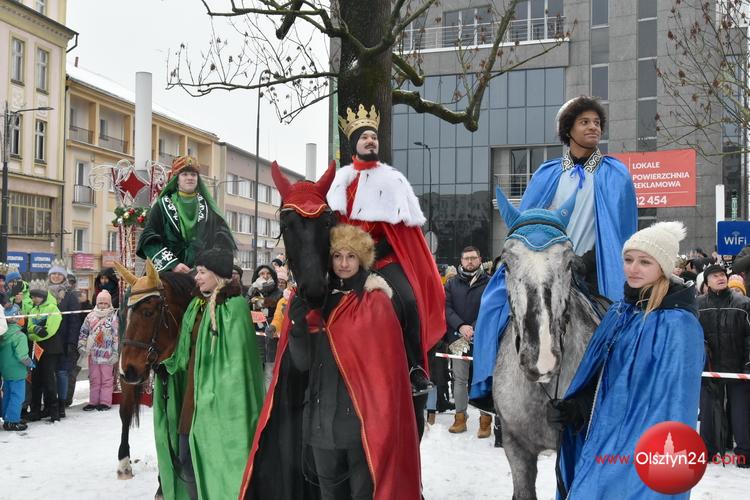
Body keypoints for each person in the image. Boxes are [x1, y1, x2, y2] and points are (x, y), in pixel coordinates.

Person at [471, 95, 638, 402]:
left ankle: (620, 394)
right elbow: (524, 223)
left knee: (625, 324)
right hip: (543, 263)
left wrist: (590, 260)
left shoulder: (616, 174)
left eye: (597, 122)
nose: (593, 127)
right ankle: (490, 384)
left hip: (595, 268)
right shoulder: (547, 173)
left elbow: (624, 232)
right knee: (491, 305)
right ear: (568, 130)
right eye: (585, 122)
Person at [239, 224, 421, 499]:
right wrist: (298, 326)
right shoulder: (318, 303)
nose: (344, 263)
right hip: (320, 429)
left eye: (351, 256)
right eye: (338, 256)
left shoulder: (376, 303)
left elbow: (386, 378)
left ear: (361, 259)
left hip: (362, 431)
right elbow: (302, 363)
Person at [550, 221, 704, 498]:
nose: (633, 268)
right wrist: (577, 408)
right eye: (628, 259)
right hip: (605, 437)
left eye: (645, 262)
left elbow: (670, 404)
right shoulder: (621, 311)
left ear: (663, 268)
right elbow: (604, 377)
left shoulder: (678, 324)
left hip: (641, 449)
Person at [327, 104, 445, 401]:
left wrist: (377, 248)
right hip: (347, 262)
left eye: (374, 137)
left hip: (383, 260)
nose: (370, 141)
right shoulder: (340, 182)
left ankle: (415, 367)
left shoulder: (392, 181)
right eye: (364, 137)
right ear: (354, 144)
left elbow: (403, 232)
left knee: (408, 300)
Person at [163, 248, 265, 500]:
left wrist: (216, 395)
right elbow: (183, 351)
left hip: (222, 404)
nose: (196, 277)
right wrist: (164, 362)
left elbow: (238, 365)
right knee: (187, 461)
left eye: (201, 272)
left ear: (217, 275)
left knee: (221, 462)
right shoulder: (195, 306)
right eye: (197, 272)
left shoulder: (235, 307)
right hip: (193, 399)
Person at [137, 155, 236, 272]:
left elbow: (223, 238)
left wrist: (207, 263)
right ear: (177, 179)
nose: (190, 178)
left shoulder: (208, 207)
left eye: (193, 174)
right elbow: (148, 238)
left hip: (201, 271)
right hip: (169, 272)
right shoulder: (162, 205)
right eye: (184, 174)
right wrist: (173, 265)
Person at [697, 264, 750, 465]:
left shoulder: (743, 303)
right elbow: (693, 335)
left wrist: (748, 363)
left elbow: (749, 337)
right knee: (708, 410)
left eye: (722, 274)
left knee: (741, 412)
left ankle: (744, 452)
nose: (720, 278)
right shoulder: (698, 305)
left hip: (738, 367)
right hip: (710, 368)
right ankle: (708, 450)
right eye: (715, 276)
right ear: (706, 282)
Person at [444, 246, 491, 437]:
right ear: (461, 261)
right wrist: (461, 326)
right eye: (466, 258)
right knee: (460, 379)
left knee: (483, 378)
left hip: (483, 339)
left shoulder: (490, 282)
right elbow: (446, 308)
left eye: (473, 258)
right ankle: (460, 418)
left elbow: (491, 308)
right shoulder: (451, 283)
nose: (470, 261)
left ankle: (485, 420)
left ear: (480, 259)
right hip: (458, 338)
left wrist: (475, 327)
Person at [47, 261, 82, 419]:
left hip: (63, 342)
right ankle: (50, 404)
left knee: (61, 373)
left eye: (59, 274)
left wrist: (71, 343)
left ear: (64, 277)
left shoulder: (70, 296)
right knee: (48, 374)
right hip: (46, 341)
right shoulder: (45, 293)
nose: (56, 276)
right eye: (53, 273)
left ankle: (61, 404)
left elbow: (74, 321)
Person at [26, 280, 63, 423]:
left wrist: (36, 331)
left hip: (50, 349)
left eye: (37, 296)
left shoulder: (53, 308)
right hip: (37, 349)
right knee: (36, 380)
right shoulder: (33, 310)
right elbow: (29, 330)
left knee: (49, 380)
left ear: (43, 296)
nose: (34, 299)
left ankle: (54, 411)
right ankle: (35, 410)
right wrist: (37, 330)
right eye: (32, 297)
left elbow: (49, 331)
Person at [78, 290, 119, 412]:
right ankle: (93, 401)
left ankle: (105, 402)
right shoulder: (90, 316)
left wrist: (116, 352)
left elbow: (116, 336)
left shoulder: (113, 317)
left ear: (109, 304)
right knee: (94, 378)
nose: (103, 305)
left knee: (107, 379)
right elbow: (83, 332)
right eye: (100, 303)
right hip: (93, 354)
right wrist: (81, 345)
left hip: (107, 354)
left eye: (105, 303)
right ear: (96, 303)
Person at [248, 263, 283, 388]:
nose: (265, 276)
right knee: (257, 370)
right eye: (262, 273)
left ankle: (269, 396)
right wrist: (251, 293)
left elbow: (280, 314)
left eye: (268, 273)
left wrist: (266, 319)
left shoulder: (279, 293)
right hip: (256, 337)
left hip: (272, 337)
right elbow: (245, 309)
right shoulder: (253, 291)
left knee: (270, 371)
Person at [0, 298, 33, 431]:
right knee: (18, 396)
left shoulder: (3, 334)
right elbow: (22, 356)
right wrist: (31, 364)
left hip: (5, 371)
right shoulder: (19, 335)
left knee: (7, 394)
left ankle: (7, 417)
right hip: (17, 371)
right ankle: (12, 421)